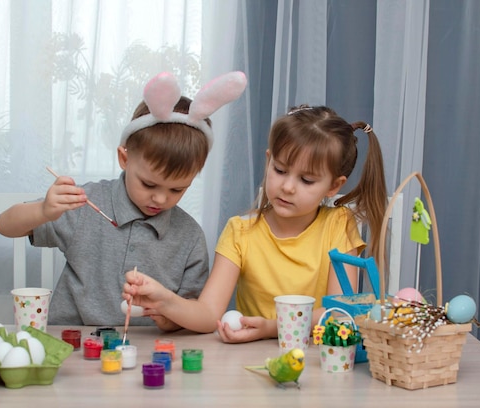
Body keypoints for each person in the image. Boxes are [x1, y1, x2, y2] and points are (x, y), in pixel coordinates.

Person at [0, 71, 247, 330]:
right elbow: (5, 225)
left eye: (177, 190)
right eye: (149, 184)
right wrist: (43, 210)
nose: (160, 198)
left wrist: (164, 312)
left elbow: (191, 315)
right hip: (72, 342)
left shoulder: (189, 237)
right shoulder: (85, 205)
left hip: (145, 352)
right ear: (124, 159)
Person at [123, 105, 388, 343]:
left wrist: (272, 327)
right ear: (268, 160)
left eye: (306, 180)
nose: (287, 187)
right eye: (280, 170)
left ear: (333, 186)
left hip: (317, 362)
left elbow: (338, 313)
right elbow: (207, 314)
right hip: (249, 363)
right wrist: (164, 299)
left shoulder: (338, 225)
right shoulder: (240, 232)